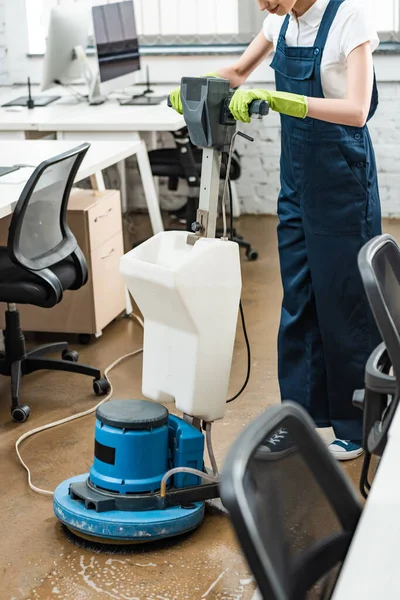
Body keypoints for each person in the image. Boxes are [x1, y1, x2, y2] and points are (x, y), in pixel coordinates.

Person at [170, 0, 381, 461]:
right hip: (296, 181)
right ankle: (299, 419)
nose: (263, 3)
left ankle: (357, 423)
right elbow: (241, 71)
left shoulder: (351, 20)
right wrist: (193, 89)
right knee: (299, 299)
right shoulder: (277, 23)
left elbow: (358, 109)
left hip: (342, 180)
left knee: (343, 302)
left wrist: (287, 101)